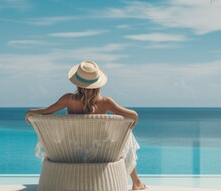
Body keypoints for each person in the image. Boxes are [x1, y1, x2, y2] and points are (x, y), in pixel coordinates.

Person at [25, 60, 147, 190]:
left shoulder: (68, 99)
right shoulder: (106, 102)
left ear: (77, 83)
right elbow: (134, 115)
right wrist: (129, 128)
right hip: (101, 151)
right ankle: (136, 181)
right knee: (127, 136)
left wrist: (30, 112)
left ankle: (136, 181)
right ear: (98, 84)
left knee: (127, 136)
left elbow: (45, 112)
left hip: (70, 148)